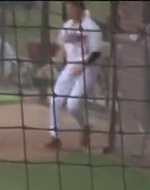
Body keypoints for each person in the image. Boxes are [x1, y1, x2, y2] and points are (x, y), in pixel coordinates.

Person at [45, 0, 103, 150]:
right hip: (71, 67)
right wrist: (55, 59)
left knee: (73, 105)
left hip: (88, 68)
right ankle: (55, 137)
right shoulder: (67, 26)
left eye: (71, 8)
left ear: (79, 9)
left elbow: (96, 53)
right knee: (55, 100)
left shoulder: (91, 27)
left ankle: (85, 127)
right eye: (68, 8)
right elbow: (62, 47)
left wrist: (83, 66)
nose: (69, 11)